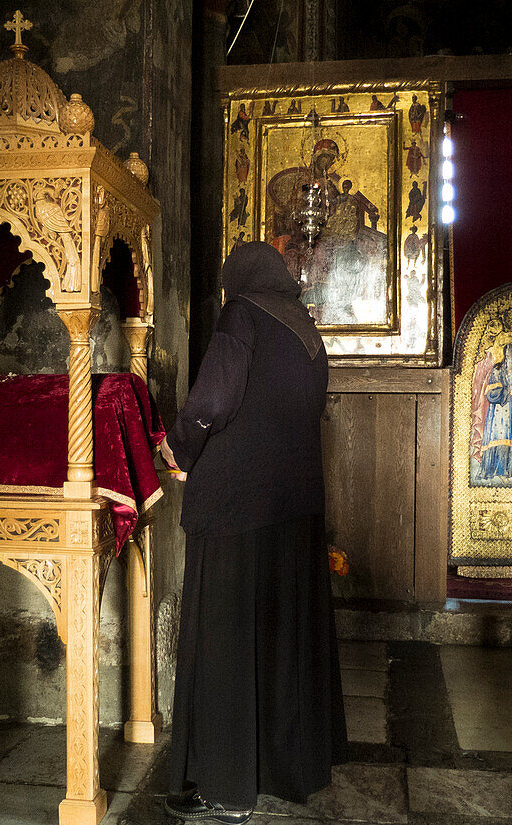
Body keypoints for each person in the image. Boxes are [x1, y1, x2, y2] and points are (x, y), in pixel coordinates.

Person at [159, 242, 348, 824]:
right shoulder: (306, 330)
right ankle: (284, 771)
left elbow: (212, 399)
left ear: (237, 279)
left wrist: (178, 444)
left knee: (226, 641)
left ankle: (225, 786)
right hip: (294, 512)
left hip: (236, 510)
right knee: (279, 639)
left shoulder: (242, 314)